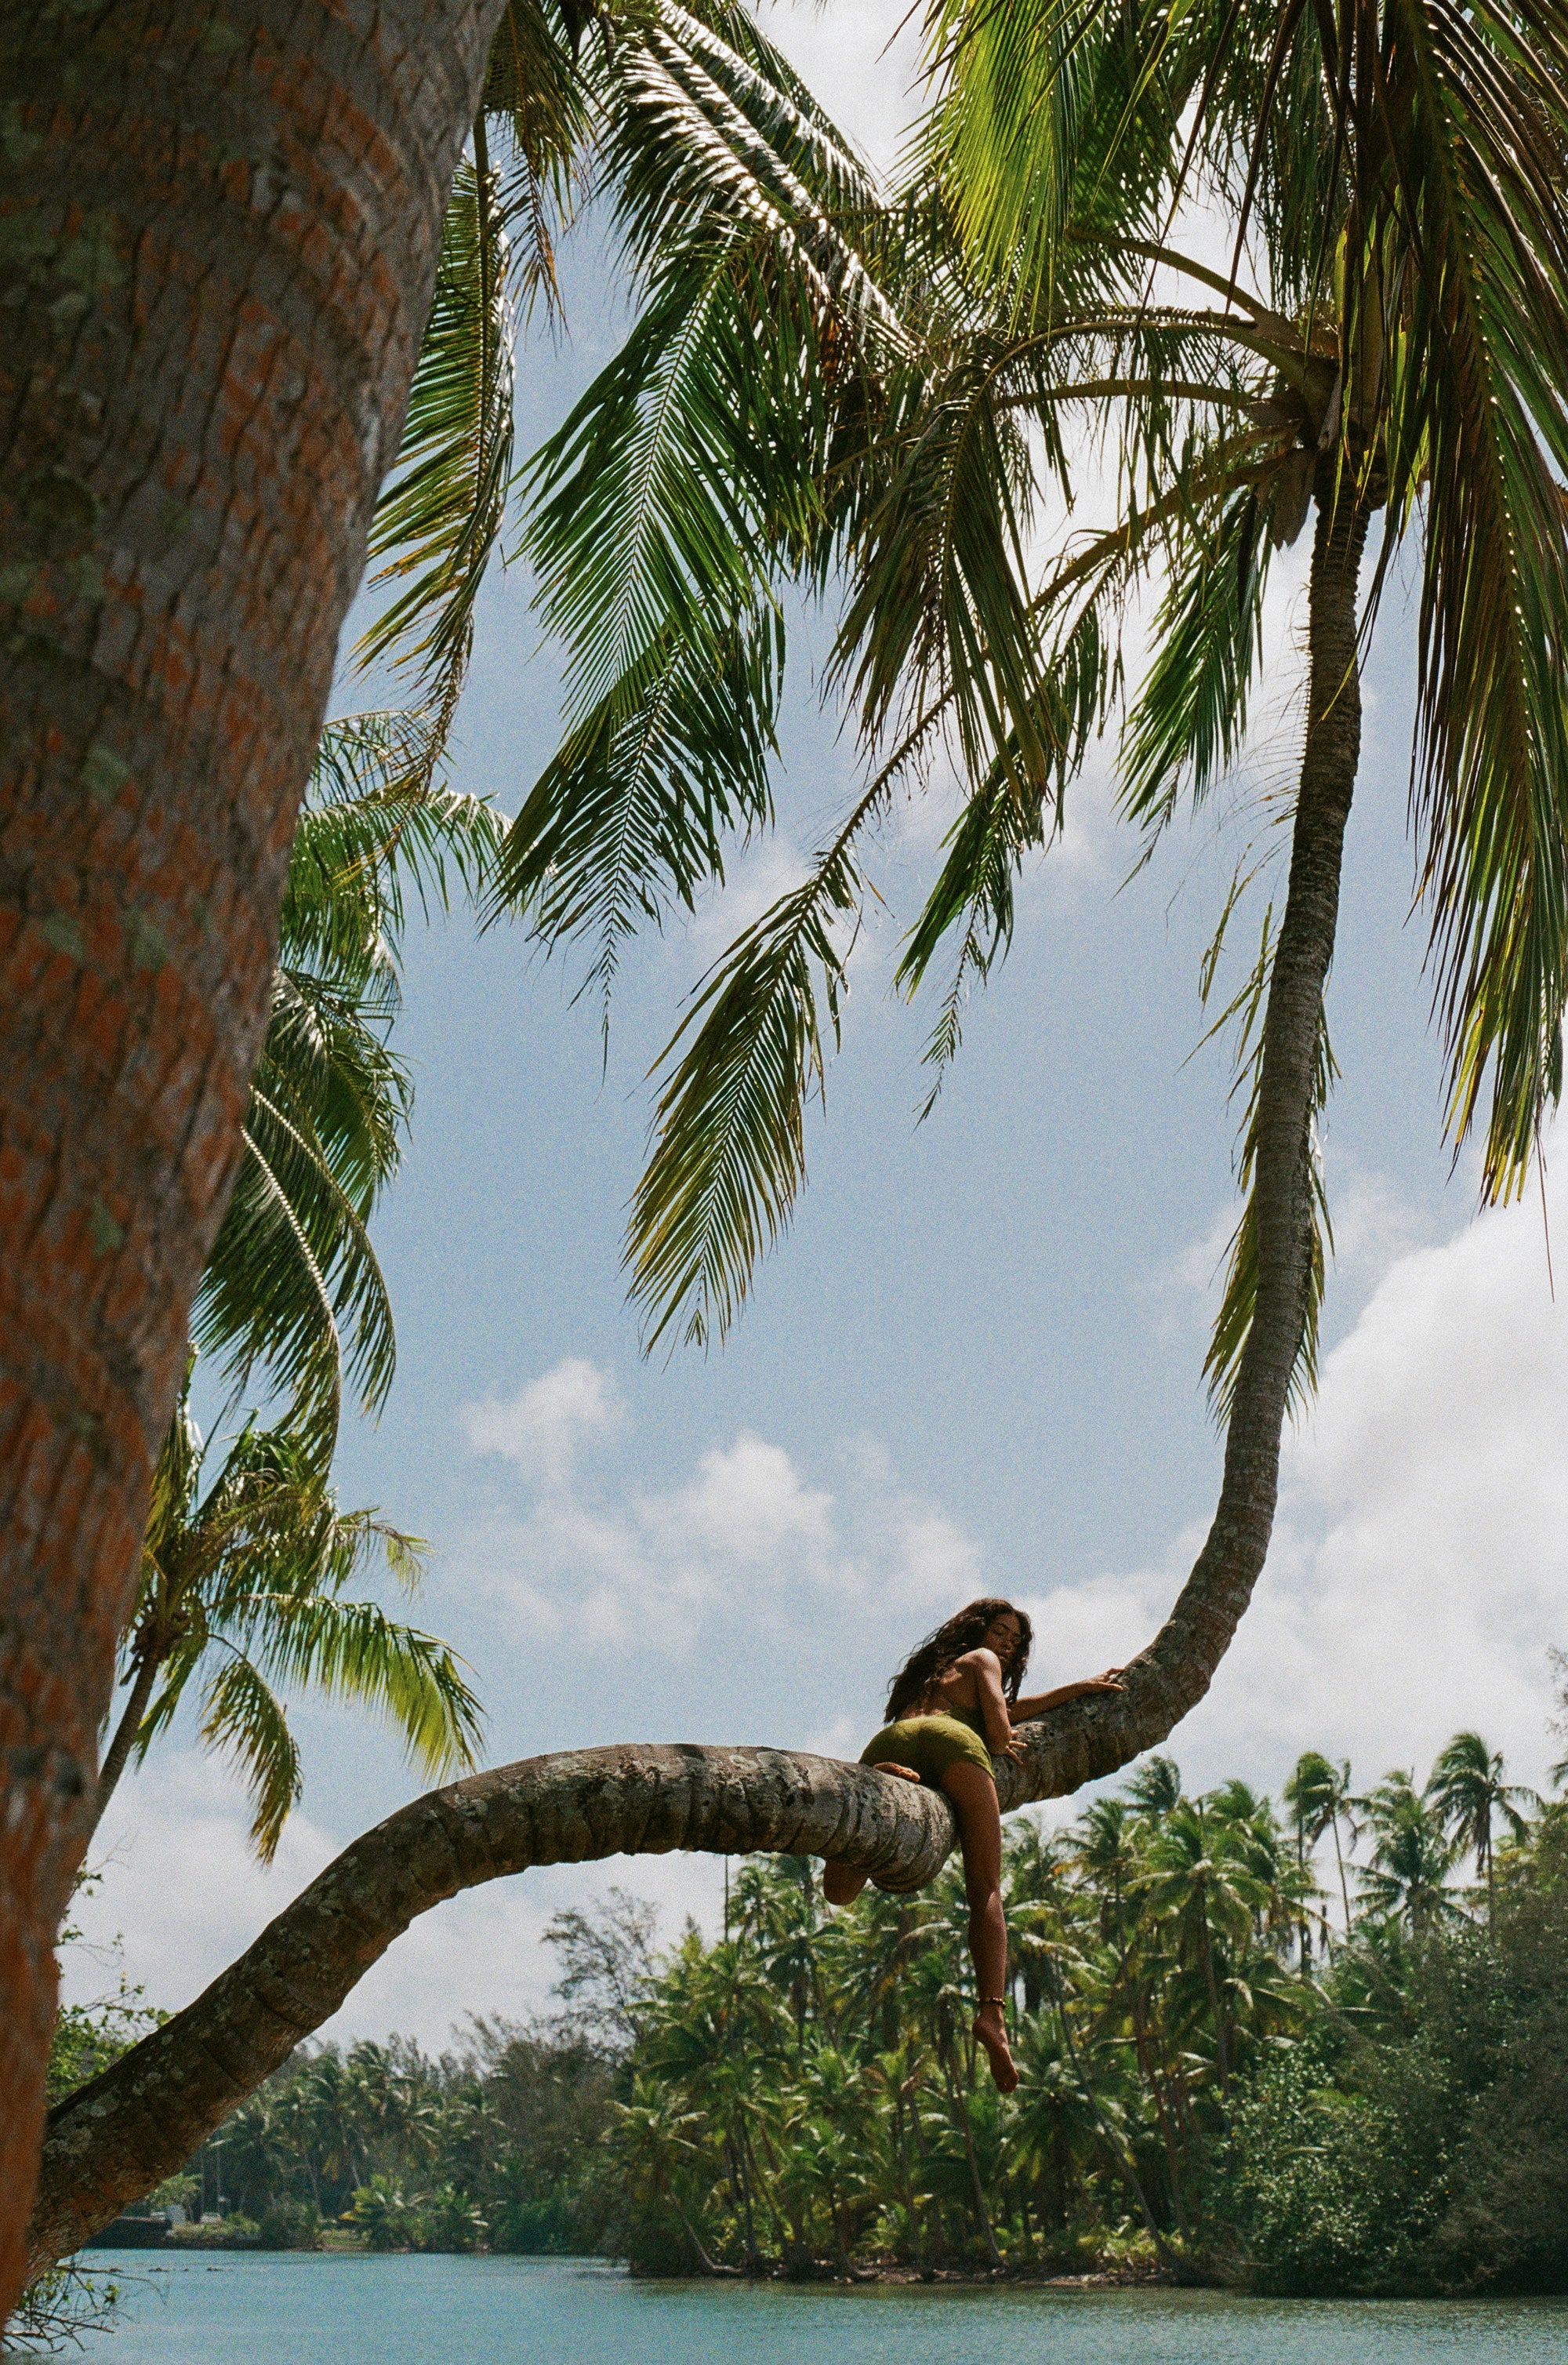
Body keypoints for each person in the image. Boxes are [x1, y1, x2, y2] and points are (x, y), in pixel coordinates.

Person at [823, 1597, 1124, 2094]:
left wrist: (1078, 1688)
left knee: (841, 1889)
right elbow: (1000, 1728)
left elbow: (999, 1709)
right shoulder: (982, 1662)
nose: (1006, 1646)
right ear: (979, 1633)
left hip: (887, 1744)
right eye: (1001, 1633)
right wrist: (1002, 1739)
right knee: (985, 1885)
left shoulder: (930, 1680)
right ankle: (992, 2014)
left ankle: (883, 1782)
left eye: (1015, 1641)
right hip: (953, 1746)